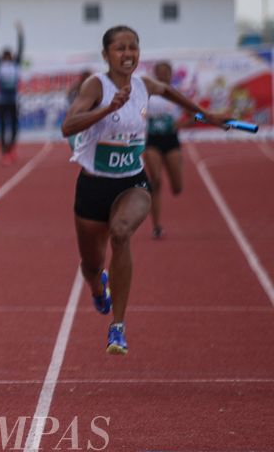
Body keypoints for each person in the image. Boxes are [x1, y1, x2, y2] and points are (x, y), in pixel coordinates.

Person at [62, 26, 221, 356]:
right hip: (93, 185)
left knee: (121, 234)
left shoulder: (143, 85)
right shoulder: (96, 85)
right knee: (91, 265)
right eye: (120, 48)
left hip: (131, 182)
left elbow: (168, 91)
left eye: (133, 47)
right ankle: (97, 286)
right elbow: (68, 125)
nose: (128, 53)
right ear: (106, 55)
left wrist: (207, 115)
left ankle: (117, 328)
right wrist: (107, 109)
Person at [143, 61, 185, 239]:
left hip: (171, 141)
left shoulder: (175, 94)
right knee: (156, 181)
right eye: (158, 72)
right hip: (152, 141)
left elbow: (194, 114)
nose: (161, 75)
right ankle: (156, 226)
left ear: (170, 74)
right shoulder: (147, 95)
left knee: (177, 187)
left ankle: (174, 183)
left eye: (165, 72)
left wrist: (181, 124)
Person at [0, 20, 24, 164]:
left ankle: (11, 148)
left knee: (14, 127)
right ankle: (4, 151)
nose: (8, 58)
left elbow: (21, 49)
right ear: (3, 56)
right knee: (2, 127)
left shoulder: (16, 64)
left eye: (10, 55)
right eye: (6, 55)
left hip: (13, 100)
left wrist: (20, 33)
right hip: (1, 101)